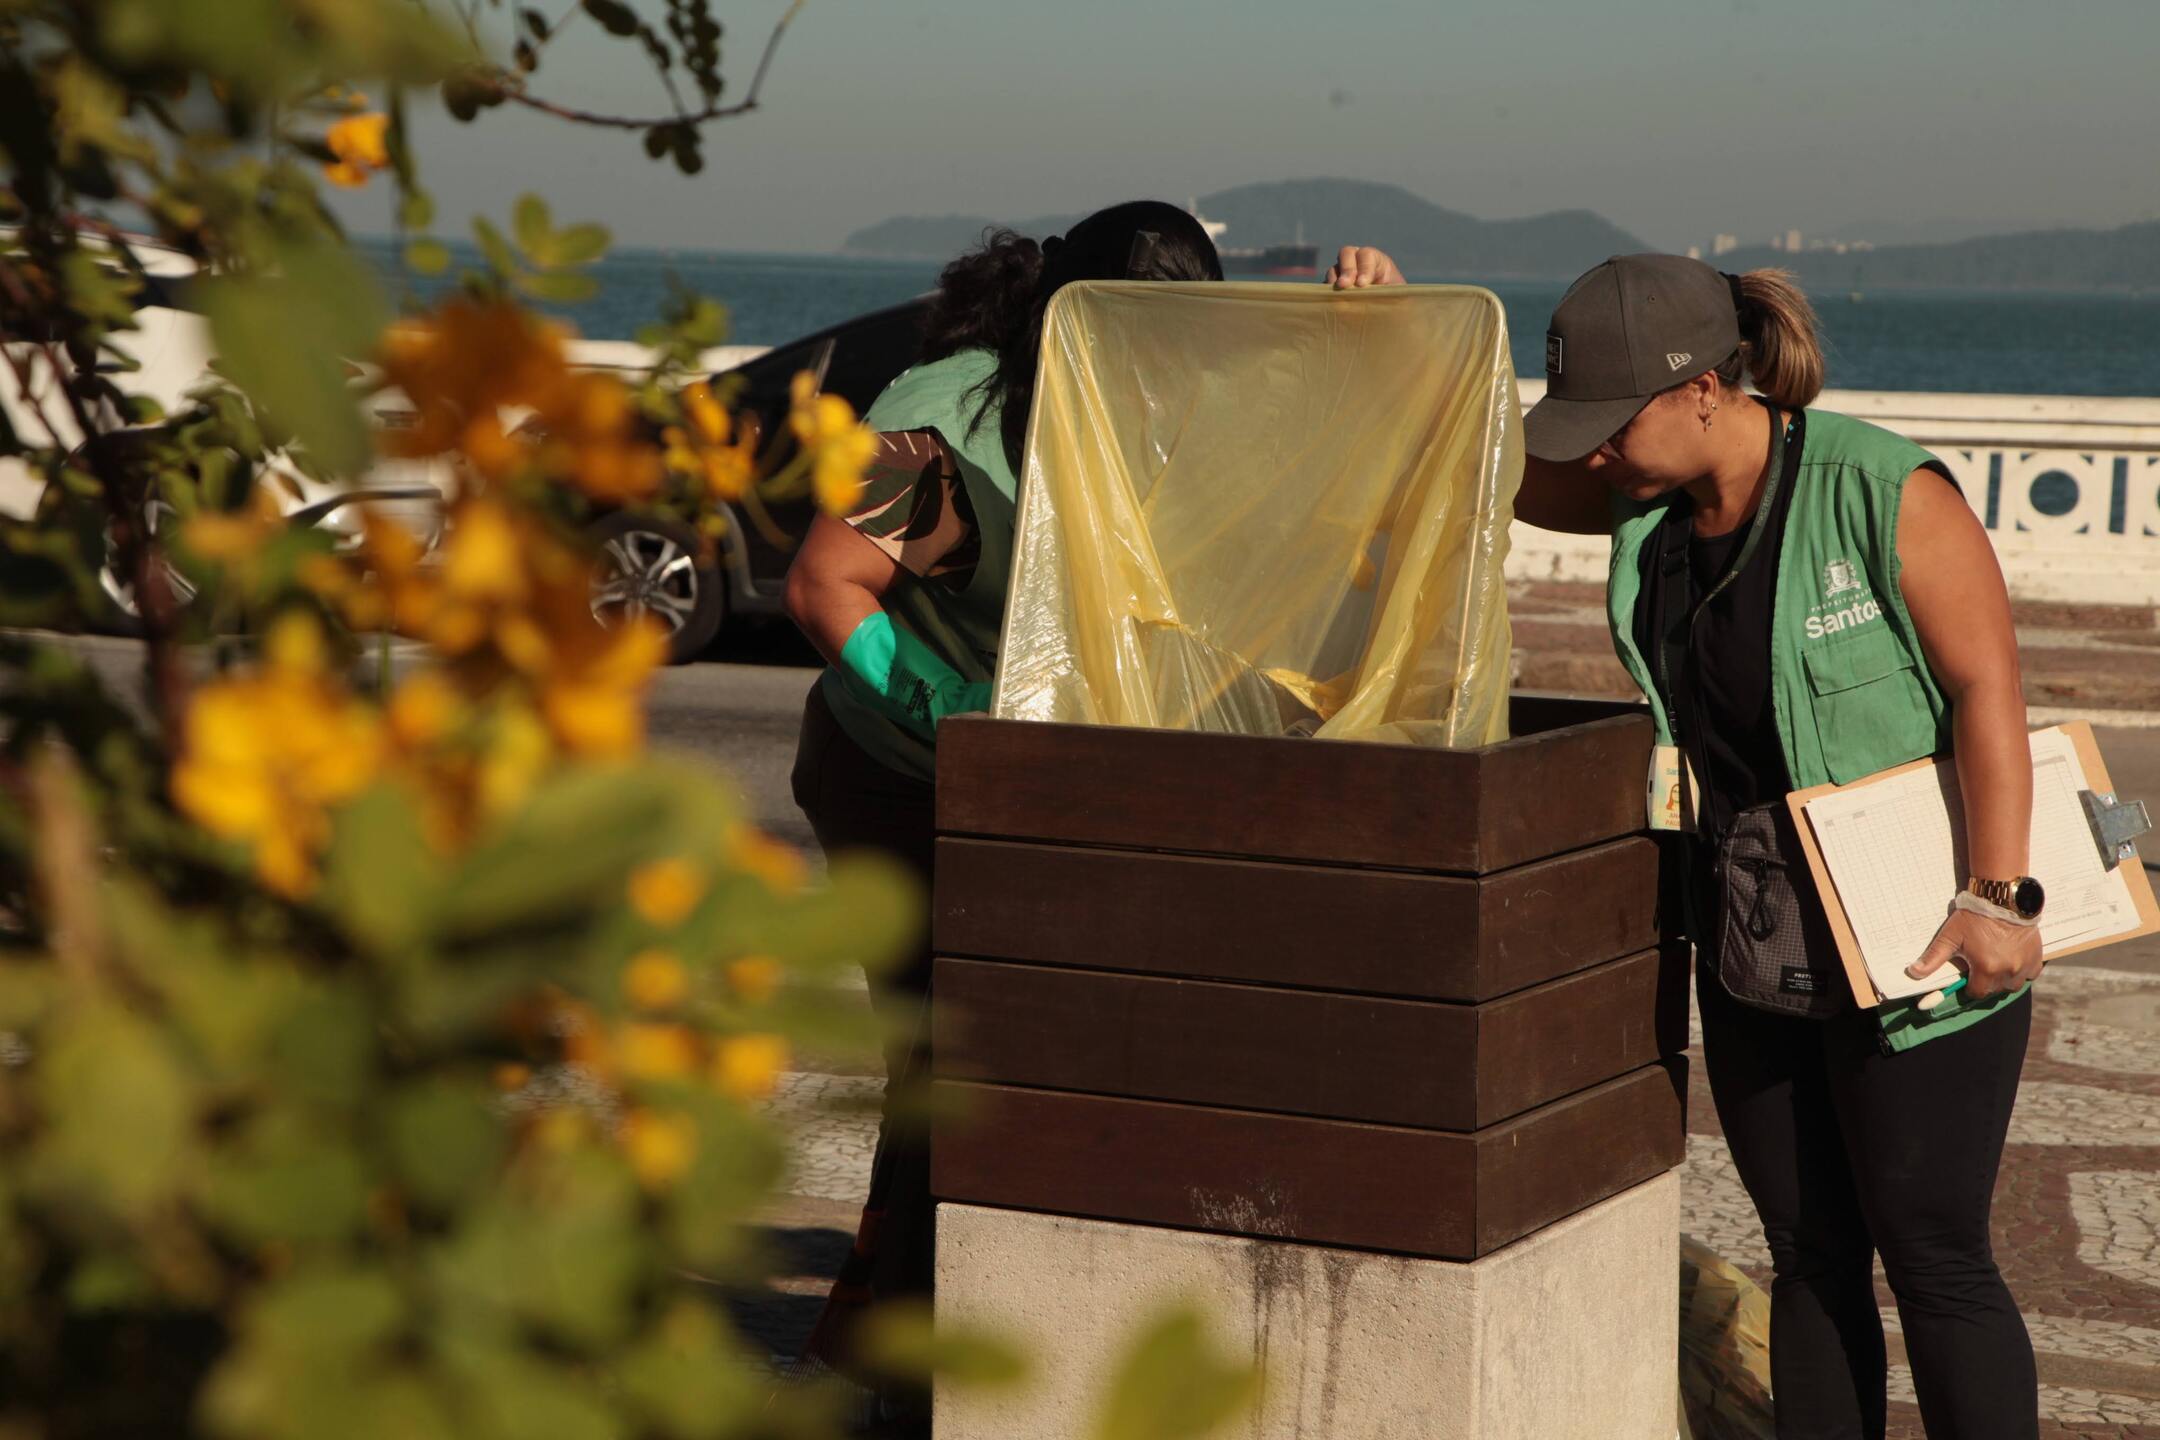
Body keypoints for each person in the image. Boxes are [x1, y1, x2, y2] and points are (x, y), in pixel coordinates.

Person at [1334, 246, 2041, 1439]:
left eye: (1613, 423)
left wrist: (2000, 898)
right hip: (1755, 934)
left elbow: (1989, 691)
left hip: (1917, 931)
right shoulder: (1641, 507)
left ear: (1705, 389)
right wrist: (1396, 338)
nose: (1596, 451)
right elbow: (1483, 463)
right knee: (1810, 1253)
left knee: (1932, 1255)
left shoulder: (1881, 489)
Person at [783, 201, 1223, 1404]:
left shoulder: (1151, 404)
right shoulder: (948, 422)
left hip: (1027, 789)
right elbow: (826, 584)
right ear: (1069, 329)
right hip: (893, 776)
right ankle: (900, 1369)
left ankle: (867, 1340)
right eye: (1135, 352)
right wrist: (952, 712)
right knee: (948, 1061)